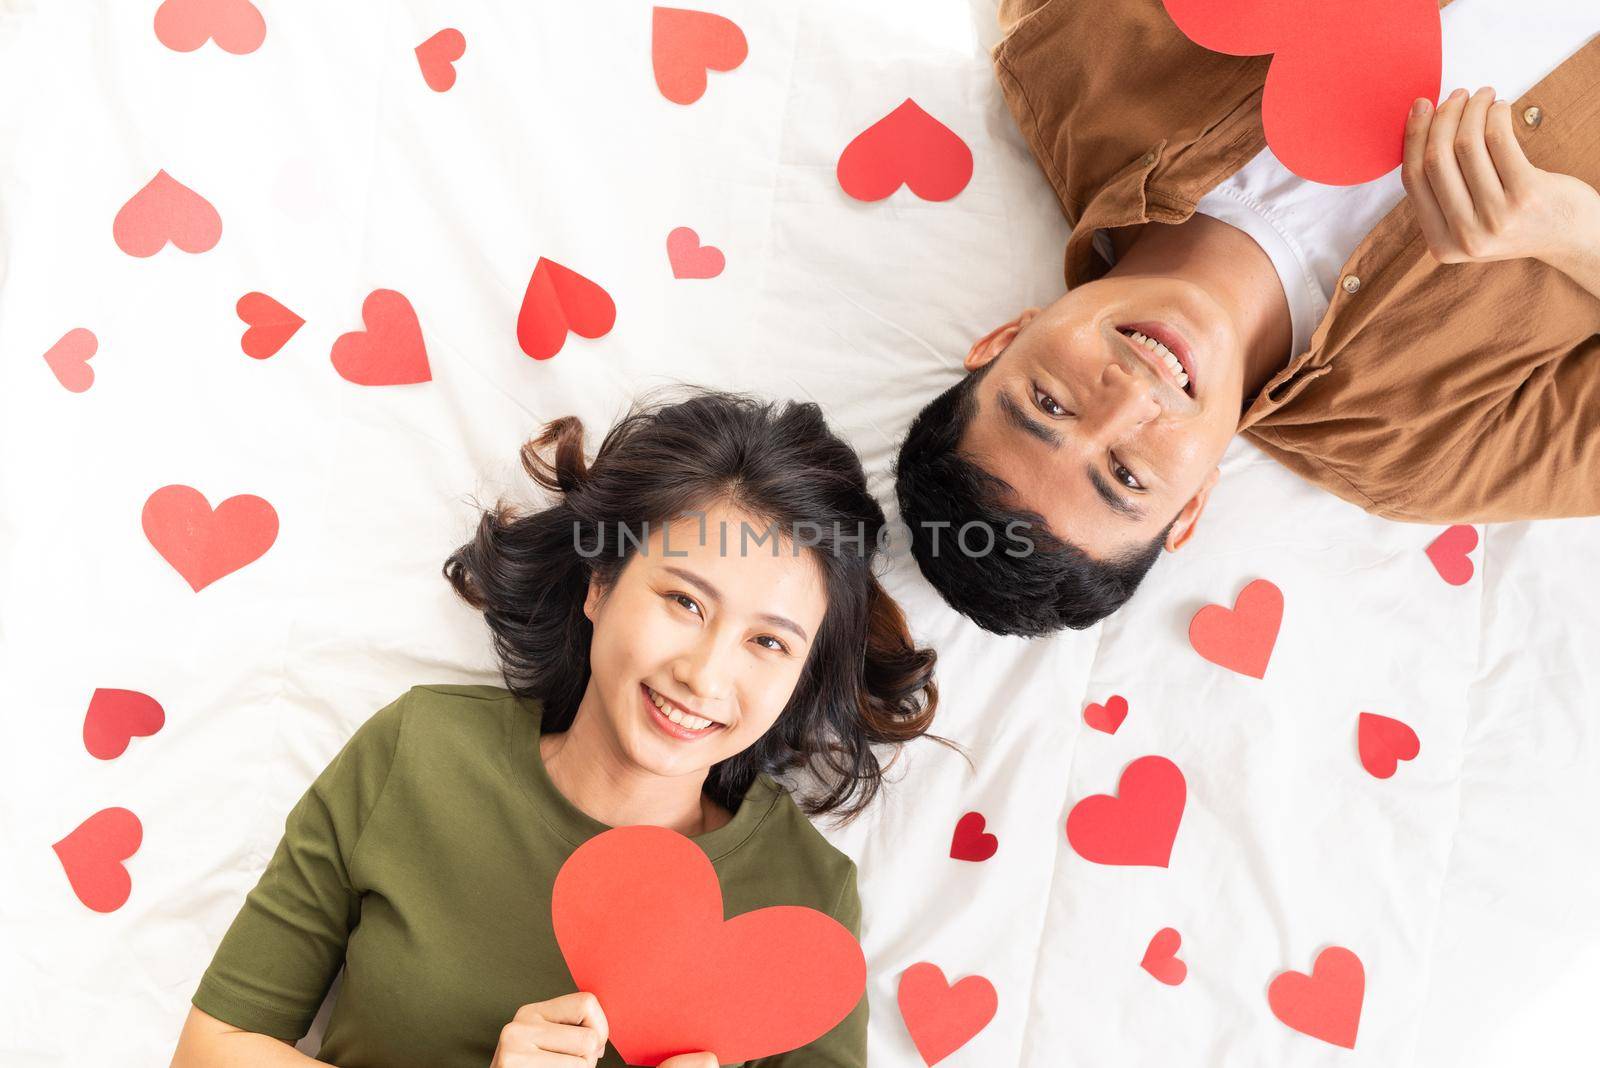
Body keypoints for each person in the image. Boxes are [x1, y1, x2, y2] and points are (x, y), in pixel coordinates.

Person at [170, 389, 940, 1067]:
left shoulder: (805, 901)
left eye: (768, 643)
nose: (705, 676)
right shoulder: (418, 753)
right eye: (684, 602)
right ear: (601, 584)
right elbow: (212, 1049)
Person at [894, 0, 1600, 637]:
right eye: (1128, 475)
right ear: (1194, 503)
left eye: (1050, 401)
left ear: (1007, 339)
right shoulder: (1421, 449)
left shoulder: (1069, 50)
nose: (1129, 397)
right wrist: (1575, 234)